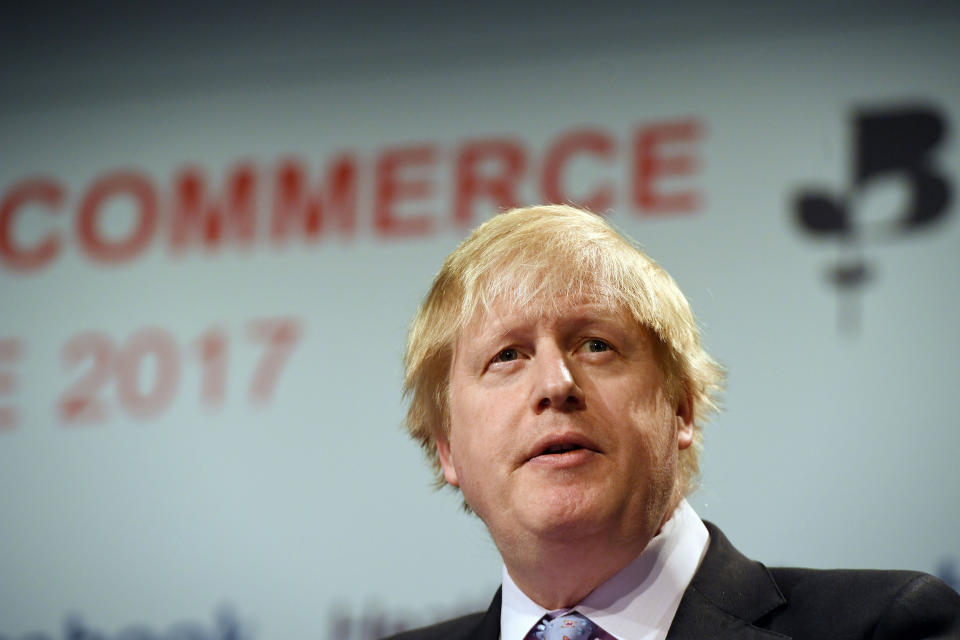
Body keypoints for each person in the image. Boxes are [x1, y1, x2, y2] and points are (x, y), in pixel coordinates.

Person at [385, 204, 960, 640]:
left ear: (680, 406)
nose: (556, 384)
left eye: (595, 344)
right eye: (506, 356)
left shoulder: (888, 624)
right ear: (448, 449)